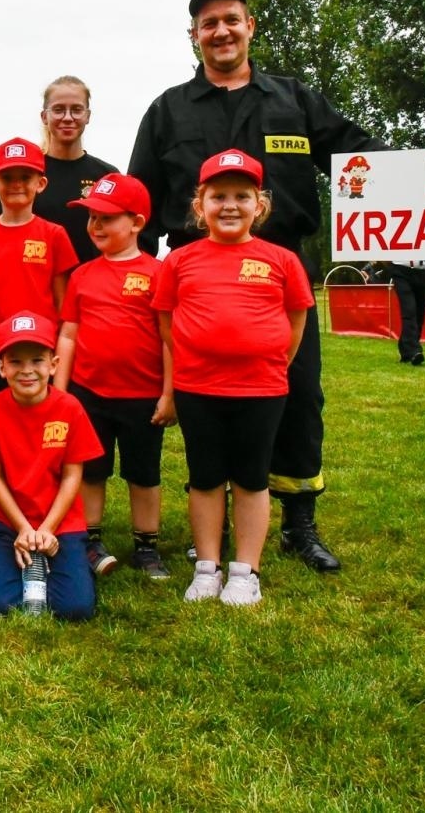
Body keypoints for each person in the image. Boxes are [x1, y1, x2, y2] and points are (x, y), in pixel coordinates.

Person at [128, 0, 385, 573]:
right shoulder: (167, 110)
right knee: (205, 405)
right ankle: (210, 531)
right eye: (209, 23)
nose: (221, 31)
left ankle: (299, 523)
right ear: (193, 37)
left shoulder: (294, 100)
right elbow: (141, 198)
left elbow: (360, 155)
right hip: (195, 280)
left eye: (231, 20)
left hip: (281, 273)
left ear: (251, 27)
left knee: (297, 396)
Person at [154, 151, 313, 607]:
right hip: (198, 386)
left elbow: (296, 317)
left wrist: (271, 360)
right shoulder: (181, 260)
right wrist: (193, 355)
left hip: (261, 388)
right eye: (217, 196)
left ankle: (245, 570)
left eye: (241, 196)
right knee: (203, 477)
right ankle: (207, 566)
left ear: (259, 205)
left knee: (251, 478)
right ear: (198, 205)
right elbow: (166, 320)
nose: (230, 205)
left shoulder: (280, 260)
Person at [52, 173, 174, 580]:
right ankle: (89, 540)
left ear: (137, 223)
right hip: (90, 394)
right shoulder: (83, 276)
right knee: (91, 470)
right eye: (91, 219)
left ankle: (146, 546)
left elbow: (168, 339)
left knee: (143, 473)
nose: (96, 227)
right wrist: (61, 392)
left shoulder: (158, 272)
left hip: (142, 395)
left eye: (107, 218)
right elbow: (68, 334)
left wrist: (169, 393)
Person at [0, 313, 98, 621]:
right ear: (1, 367)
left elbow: (72, 475)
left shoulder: (70, 408)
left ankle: (71, 559)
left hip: (61, 523)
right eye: (15, 362)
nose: (27, 371)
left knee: (75, 609)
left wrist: (47, 529)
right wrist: (24, 529)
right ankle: (6, 557)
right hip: (11, 522)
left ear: (53, 364)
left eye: (37, 360)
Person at [0, 137, 77, 402]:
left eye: (25, 177)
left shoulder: (54, 235)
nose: (16, 184)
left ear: (41, 183)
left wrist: (58, 356)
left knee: (40, 427)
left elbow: (64, 305)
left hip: (40, 350)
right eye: (7, 177)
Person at [26, 75, 119, 269]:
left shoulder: (107, 176)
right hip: (39, 290)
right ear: (44, 116)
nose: (68, 118)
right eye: (59, 110)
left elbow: (123, 239)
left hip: (93, 290)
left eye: (76, 110)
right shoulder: (26, 174)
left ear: (88, 116)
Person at [388, 260, 425, 366]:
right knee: (409, 311)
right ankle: (414, 351)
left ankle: (406, 351)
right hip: (402, 269)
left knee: (419, 314)